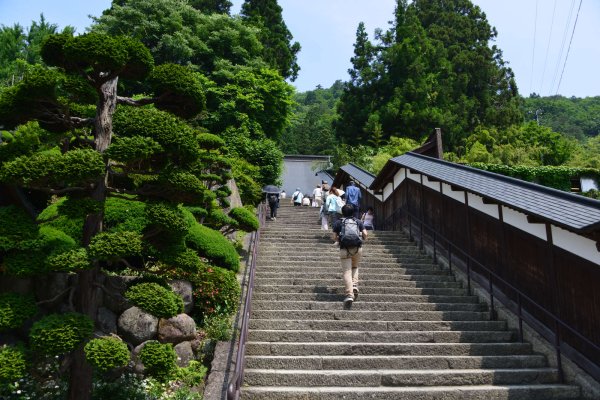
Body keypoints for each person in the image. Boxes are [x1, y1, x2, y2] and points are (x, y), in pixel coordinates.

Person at [332, 204, 367, 307]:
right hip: (357, 248)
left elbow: (334, 237)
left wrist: (341, 240)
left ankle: (349, 294)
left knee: (347, 271)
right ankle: (354, 284)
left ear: (343, 212)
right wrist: (362, 239)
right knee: (355, 266)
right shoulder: (358, 221)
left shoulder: (338, 222)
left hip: (344, 249)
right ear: (353, 212)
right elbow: (365, 234)